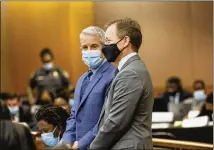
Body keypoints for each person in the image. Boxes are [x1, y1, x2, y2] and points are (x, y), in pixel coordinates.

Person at [90, 18, 154, 150]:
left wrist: (94, 147)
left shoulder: (130, 73)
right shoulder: (129, 70)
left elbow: (116, 122)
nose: (104, 47)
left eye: (108, 41)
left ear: (125, 41)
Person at [62, 26, 115, 150]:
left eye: (94, 46)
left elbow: (108, 120)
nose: (89, 51)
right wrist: (67, 141)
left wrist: (81, 144)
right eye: (85, 47)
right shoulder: (82, 79)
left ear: (104, 48)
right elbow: (74, 115)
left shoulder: (113, 75)